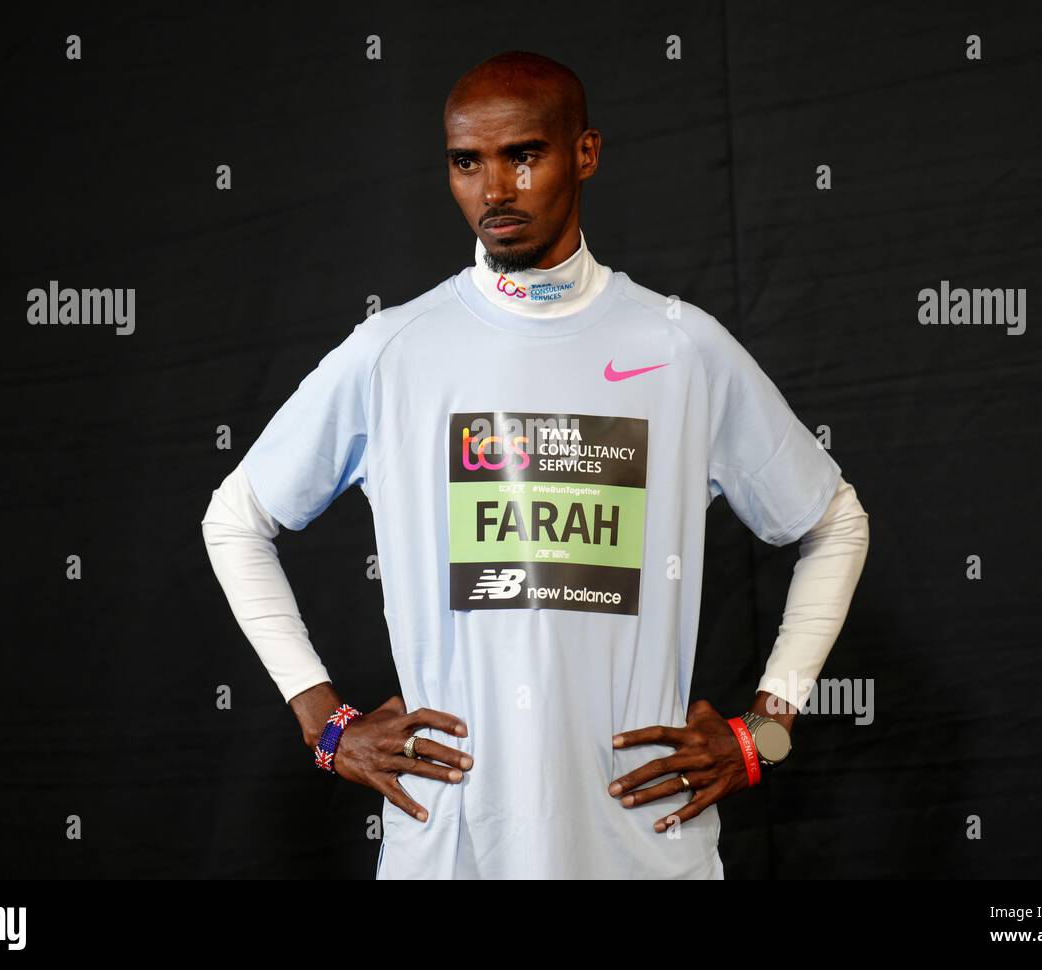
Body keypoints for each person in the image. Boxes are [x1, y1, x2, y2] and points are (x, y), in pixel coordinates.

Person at [201, 50, 869, 879]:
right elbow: (235, 521)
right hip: (452, 846)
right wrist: (325, 722)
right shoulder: (393, 354)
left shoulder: (680, 347)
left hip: (643, 846)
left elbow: (834, 521)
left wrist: (763, 733)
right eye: (466, 162)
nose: (495, 191)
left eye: (523, 155)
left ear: (584, 153)